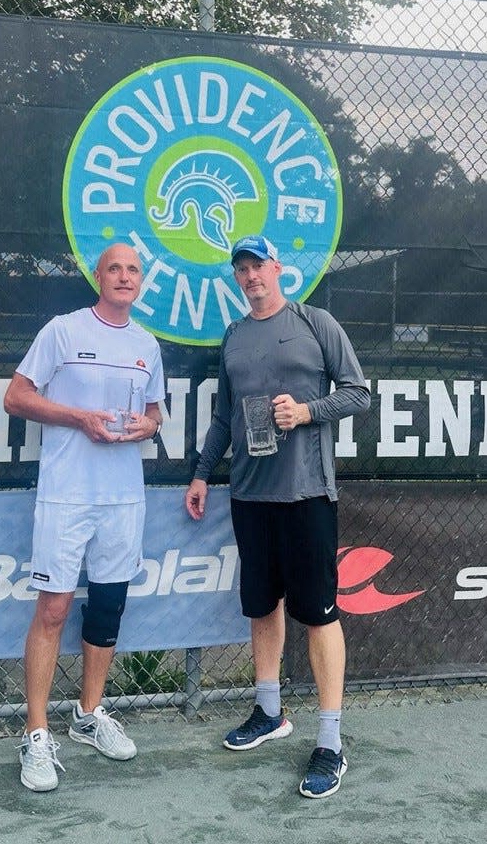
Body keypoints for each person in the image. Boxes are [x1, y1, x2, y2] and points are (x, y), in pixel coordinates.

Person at [185, 235, 370, 799]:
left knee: (317, 616)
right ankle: (269, 712)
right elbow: (223, 418)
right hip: (249, 496)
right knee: (263, 607)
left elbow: (359, 394)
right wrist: (200, 472)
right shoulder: (235, 337)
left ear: (277, 268)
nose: (249, 275)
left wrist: (308, 411)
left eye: (257, 265)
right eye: (240, 269)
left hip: (308, 494)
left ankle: (331, 743)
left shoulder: (316, 323)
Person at [4, 243, 165, 792]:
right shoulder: (63, 331)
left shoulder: (147, 344)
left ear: (141, 282)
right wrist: (78, 419)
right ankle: (36, 733)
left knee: (108, 607)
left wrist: (148, 427)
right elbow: (16, 397)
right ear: (97, 276)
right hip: (67, 497)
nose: (124, 277)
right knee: (52, 610)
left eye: (133, 270)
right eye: (114, 268)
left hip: (124, 500)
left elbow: (154, 413)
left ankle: (88, 715)